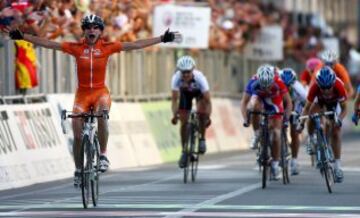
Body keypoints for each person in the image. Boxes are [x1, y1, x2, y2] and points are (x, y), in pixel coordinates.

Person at [3, 14, 180, 187]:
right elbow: (49, 44)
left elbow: (134, 44)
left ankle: (103, 155)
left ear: (100, 31)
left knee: (103, 114)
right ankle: (79, 170)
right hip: (82, 95)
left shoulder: (107, 47)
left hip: (100, 92)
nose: (91, 30)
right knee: (78, 136)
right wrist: (22, 37)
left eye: (95, 27)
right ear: (84, 31)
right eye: (88, 28)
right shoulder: (76, 48)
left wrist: (161, 38)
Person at [241, 65, 292, 180]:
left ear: (272, 80)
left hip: (275, 101)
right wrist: (246, 119)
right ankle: (257, 134)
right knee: (254, 107)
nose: (266, 89)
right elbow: (244, 102)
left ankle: (275, 164)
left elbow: (288, 102)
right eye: (263, 86)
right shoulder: (253, 82)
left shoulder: (278, 82)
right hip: (259, 99)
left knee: (276, 134)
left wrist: (286, 119)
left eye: (268, 85)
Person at [297, 66, 347, 183]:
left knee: (336, 132)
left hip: (335, 105)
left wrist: (339, 119)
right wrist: (301, 123)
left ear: (332, 84)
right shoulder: (314, 87)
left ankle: (337, 166)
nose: (325, 90)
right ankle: (311, 138)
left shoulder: (339, 86)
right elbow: (306, 108)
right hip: (320, 103)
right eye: (323, 88)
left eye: (328, 87)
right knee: (311, 114)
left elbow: (344, 109)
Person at [170, 56, 212, 168]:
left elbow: (208, 101)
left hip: (199, 94)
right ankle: (184, 151)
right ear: (179, 71)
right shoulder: (176, 78)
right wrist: (175, 115)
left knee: (202, 113)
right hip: (185, 95)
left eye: (188, 72)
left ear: (193, 70)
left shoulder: (200, 78)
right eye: (183, 72)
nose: (185, 75)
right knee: (183, 122)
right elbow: (174, 100)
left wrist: (207, 117)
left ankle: (202, 139)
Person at [279, 68, 307, 175]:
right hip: (281, 105)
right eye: (284, 85)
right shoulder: (277, 85)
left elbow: (306, 103)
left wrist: (301, 116)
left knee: (295, 132)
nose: (286, 88)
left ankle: (294, 160)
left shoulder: (298, 89)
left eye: (288, 86)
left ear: (293, 83)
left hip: (295, 108)